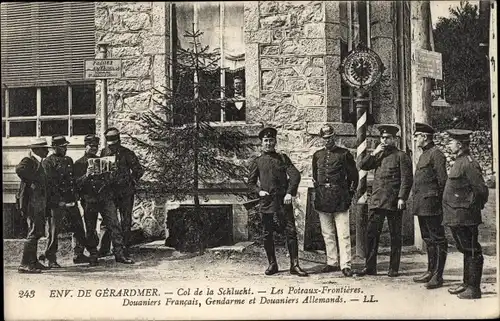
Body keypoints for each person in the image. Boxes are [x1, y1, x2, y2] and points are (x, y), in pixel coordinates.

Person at [248, 127, 308, 277]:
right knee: (267, 233)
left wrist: (289, 193)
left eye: (271, 140)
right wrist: (259, 191)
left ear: (275, 141)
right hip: (266, 202)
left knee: (291, 232)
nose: (268, 143)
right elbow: (250, 183)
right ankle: (272, 264)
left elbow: (295, 176)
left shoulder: (282, 158)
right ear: (262, 143)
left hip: (283, 202)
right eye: (266, 141)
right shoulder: (257, 161)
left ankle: (294, 265)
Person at [359, 125, 413, 277]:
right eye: (382, 138)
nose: (384, 140)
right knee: (371, 235)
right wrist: (374, 153)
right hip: (377, 200)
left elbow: (406, 179)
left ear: (394, 139)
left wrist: (402, 197)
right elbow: (363, 165)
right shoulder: (379, 155)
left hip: (393, 201)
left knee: (395, 236)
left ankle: (393, 268)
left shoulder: (401, 156)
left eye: (388, 138)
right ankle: (370, 267)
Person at [74, 134, 134, 265]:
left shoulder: (103, 160)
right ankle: (93, 254)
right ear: (85, 146)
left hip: (105, 198)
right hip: (89, 200)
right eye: (91, 146)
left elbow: (110, 181)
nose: (94, 149)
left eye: (96, 146)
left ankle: (119, 254)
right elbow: (76, 184)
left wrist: (111, 174)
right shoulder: (79, 163)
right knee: (90, 228)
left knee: (114, 225)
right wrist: (87, 175)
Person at [443, 129, 489, 299]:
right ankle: (466, 283)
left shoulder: (469, 163)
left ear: (460, 144)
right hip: (457, 215)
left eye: (451, 142)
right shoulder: (459, 161)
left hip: (466, 216)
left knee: (472, 250)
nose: (449, 144)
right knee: (465, 249)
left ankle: (474, 289)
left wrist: (472, 208)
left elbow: (481, 190)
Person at [312, 124, 358, 277]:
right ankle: (332, 262)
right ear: (321, 139)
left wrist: (349, 195)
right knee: (327, 233)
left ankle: (346, 264)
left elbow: (354, 177)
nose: (328, 141)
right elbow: (315, 177)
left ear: (334, 137)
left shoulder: (344, 154)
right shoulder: (317, 155)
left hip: (340, 197)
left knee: (343, 233)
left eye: (330, 137)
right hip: (323, 197)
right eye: (325, 138)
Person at [40, 135, 90, 267]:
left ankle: (78, 254)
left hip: (71, 200)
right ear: (55, 148)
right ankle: (51, 259)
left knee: (79, 228)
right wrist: (58, 201)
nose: (65, 149)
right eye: (62, 147)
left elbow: (72, 181)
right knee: (53, 231)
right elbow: (50, 185)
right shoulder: (48, 162)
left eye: (66, 146)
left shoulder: (69, 160)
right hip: (57, 203)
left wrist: (75, 196)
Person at [412, 122, 448, 289]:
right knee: (428, 239)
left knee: (438, 239)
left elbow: (442, 182)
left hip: (432, 204)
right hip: (422, 204)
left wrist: (440, 204)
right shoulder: (424, 154)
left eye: (417, 136)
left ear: (424, 137)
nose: (415, 139)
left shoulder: (436, 154)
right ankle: (430, 271)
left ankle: (438, 276)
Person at [99, 127, 144, 258]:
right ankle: (104, 248)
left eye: (115, 144)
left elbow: (138, 170)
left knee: (125, 220)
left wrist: (131, 181)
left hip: (125, 193)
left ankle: (124, 248)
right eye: (110, 144)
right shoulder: (103, 153)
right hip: (109, 192)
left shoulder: (127, 153)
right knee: (107, 220)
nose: (112, 147)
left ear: (119, 141)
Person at [16, 138, 50, 273]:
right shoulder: (28, 161)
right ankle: (25, 264)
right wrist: (33, 181)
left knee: (37, 231)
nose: (47, 151)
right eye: (45, 149)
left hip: (39, 203)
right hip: (31, 203)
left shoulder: (39, 162)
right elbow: (19, 170)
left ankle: (33, 261)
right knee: (34, 232)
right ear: (37, 150)